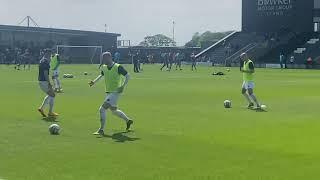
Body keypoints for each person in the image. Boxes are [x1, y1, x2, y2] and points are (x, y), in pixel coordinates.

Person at [89, 52, 133, 136]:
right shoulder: (104, 67)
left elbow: (128, 76)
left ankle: (101, 130)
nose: (103, 61)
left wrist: (123, 86)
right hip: (108, 92)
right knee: (113, 111)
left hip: (116, 92)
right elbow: (101, 75)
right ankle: (128, 121)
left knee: (102, 109)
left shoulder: (118, 67)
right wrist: (93, 82)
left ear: (109, 57)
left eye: (104, 59)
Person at [37, 49, 59, 118]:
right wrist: (49, 82)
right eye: (49, 54)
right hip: (44, 81)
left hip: (41, 81)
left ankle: (47, 110)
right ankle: (47, 110)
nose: (50, 56)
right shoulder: (45, 62)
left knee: (51, 95)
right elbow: (45, 73)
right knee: (52, 95)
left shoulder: (42, 60)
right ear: (46, 53)